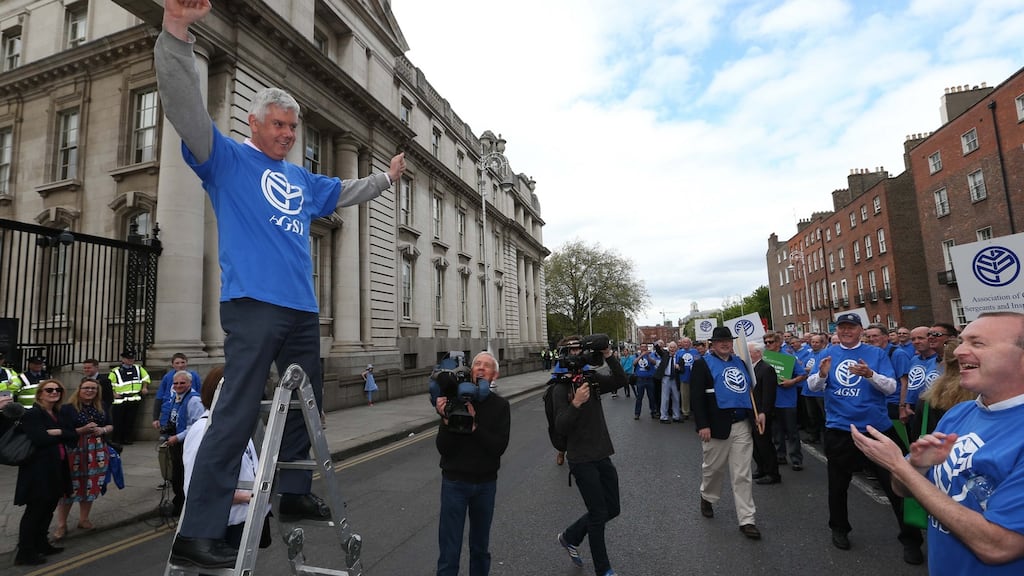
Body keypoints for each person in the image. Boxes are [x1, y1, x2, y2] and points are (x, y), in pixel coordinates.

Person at [157, 1, 408, 568]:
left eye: (294, 127)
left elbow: (344, 192)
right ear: (254, 122)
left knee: (304, 403)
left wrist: (384, 180)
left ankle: (293, 494)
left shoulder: (298, 177)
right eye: (279, 124)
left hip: (300, 308)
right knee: (238, 412)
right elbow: (183, 105)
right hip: (253, 304)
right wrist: (175, 29)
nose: (289, 135)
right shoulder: (224, 158)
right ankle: (199, 530)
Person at [851, 312, 1024, 575]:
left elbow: (998, 547)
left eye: (977, 344)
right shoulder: (959, 413)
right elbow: (903, 489)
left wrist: (900, 465)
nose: (958, 352)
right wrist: (917, 467)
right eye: (963, 341)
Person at [805, 312, 924, 564]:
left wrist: (870, 374)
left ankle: (911, 539)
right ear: (837, 331)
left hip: (876, 429)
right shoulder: (827, 353)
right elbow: (813, 387)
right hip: (840, 429)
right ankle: (839, 529)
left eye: (851, 327)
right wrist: (823, 374)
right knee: (837, 486)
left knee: (898, 484)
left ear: (860, 330)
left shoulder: (877, 354)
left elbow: (891, 387)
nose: (846, 331)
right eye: (842, 328)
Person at [552, 335, 627, 576]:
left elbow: (621, 380)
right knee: (598, 514)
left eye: (580, 349)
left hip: (601, 452)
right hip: (581, 458)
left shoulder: (591, 379)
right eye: (573, 350)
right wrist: (575, 403)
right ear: (564, 354)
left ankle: (570, 536)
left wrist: (607, 353)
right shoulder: (560, 388)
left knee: (612, 508)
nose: (578, 353)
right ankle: (603, 570)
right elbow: (560, 426)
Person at [433, 352, 510, 576]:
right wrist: (447, 421)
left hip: (485, 485)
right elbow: (443, 448)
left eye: (486, 365)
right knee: (449, 551)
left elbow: (498, 447)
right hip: (454, 483)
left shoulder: (501, 406)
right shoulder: (454, 400)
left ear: (495, 375)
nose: (480, 368)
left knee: (479, 548)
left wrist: (474, 426)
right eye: (477, 364)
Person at [184, 366, 272, 549]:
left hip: (243, 520)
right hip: (222, 527)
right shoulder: (203, 431)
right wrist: (247, 497)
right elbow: (196, 488)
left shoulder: (234, 428)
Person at [690, 326, 761, 540]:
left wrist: (759, 413)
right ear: (712, 343)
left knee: (742, 474)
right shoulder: (702, 365)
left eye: (728, 341)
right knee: (713, 469)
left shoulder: (740, 362)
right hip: (716, 426)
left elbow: (749, 390)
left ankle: (747, 519)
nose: (725, 344)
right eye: (720, 341)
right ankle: (707, 496)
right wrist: (702, 425)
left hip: (741, 425)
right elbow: (697, 398)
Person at [14, 379, 77, 566]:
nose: (54, 392)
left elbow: (72, 434)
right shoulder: (32, 414)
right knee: (35, 510)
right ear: (40, 393)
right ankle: (24, 552)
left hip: (57, 466)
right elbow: (39, 438)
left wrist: (57, 432)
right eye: (49, 389)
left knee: (48, 508)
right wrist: (60, 433)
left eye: (57, 389)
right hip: (38, 469)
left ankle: (41, 543)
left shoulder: (58, 413)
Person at [54, 377, 112, 539]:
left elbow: (110, 424)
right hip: (75, 450)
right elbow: (63, 431)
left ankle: (84, 519)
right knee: (69, 488)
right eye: (86, 388)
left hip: (97, 450)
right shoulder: (67, 408)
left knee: (90, 485)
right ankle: (61, 524)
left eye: (93, 388)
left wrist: (103, 430)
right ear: (79, 389)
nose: (90, 391)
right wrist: (83, 429)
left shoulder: (102, 406)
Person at [159, 370, 205, 516]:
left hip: (186, 444)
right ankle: (179, 504)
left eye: (182, 383)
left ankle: (183, 506)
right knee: (176, 475)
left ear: (190, 383)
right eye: (176, 383)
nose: (178, 385)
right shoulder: (176, 397)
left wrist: (177, 437)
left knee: (183, 476)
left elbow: (197, 425)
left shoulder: (194, 400)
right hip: (175, 443)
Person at [912, 339, 972, 438]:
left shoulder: (928, 397)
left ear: (944, 361)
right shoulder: (982, 395)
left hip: (935, 447)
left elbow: (916, 434)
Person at [749, 342, 780, 485]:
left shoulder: (767, 369)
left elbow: (769, 394)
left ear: (758, 353)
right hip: (751, 411)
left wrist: (763, 413)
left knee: (764, 444)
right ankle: (761, 467)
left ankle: (772, 473)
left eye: (749, 352)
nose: (747, 355)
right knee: (755, 443)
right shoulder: (750, 369)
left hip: (761, 413)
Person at [108, 349, 151, 445]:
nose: (131, 360)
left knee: (130, 421)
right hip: (120, 400)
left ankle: (127, 438)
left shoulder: (138, 369)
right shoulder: (115, 371)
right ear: (123, 359)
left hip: (134, 399)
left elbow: (146, 378)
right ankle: (116, 439)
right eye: (128, 358)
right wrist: (113, 393)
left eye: (132, 358)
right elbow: (109, 384)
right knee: (118, 421)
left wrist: (144, 388)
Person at [152, 353, 202, 432]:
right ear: (173, 365)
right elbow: (159, 397)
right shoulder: (167, 377)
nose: (180, 365)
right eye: (177, 363)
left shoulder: (194, 376)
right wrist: (155, 418)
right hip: (168, 414)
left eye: (183, 362)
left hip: (187, 413)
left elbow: (200, 394)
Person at [654, 340, 682, 423]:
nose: (672, 349)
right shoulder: (665, 355)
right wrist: (656, 343)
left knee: (676, 398)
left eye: (674, 347)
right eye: (670, 347)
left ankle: (676, 416)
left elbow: (683, 369)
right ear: (668, 348)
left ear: (676, 349)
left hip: (675, 379)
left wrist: (679, 367)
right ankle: (663, 417)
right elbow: (658, 350)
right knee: (665, 398)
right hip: (666, 379)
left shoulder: (679, 357)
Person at [632, 344, 658, 420]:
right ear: (640, 348)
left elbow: (654, 363)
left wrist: (648, 356)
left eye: (645, 347)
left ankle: (653, 412)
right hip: (640, 379)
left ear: (647, 348)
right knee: (639, 397)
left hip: (649, 379)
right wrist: (641, 356)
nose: (643, 348)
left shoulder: (651, 354)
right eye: (642, 347)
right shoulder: (637, 355)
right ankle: (637, 413)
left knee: (651, 397)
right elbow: (634, 363)